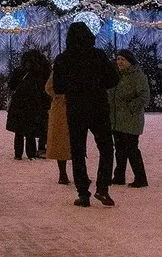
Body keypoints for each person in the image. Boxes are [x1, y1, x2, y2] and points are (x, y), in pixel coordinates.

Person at [51, 22, 119, 207]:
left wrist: (74, 87)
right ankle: (103, 187)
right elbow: (113, 79)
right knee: (106, 148)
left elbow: (58, 87)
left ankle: (83, 193)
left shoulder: (63, 59)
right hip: (98, 107)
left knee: (78, 151)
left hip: (76, 109)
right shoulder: (98, 55)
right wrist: (96, 84)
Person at [108, 49, 150, 188]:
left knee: (132, 148)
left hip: (131, 119)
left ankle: (140, 178)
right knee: (119, 149)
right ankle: (119, 176)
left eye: (122, 59)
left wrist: (131, 107)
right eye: (118, 59)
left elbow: (144, 96)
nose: (119, 62)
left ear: (129, 62)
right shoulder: (116, 76)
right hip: (117, 119)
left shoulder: (137, 76)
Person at [6, 49, 51, 160]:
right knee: (30, 131)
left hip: (19, 104)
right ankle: (31, 153)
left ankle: (18, 154)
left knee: (18, 132)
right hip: (34, 104)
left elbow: (11, 85)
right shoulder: (41, 72)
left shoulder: (19, 71)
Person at [44, 67, 72, 185]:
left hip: (65, 108)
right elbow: (49, 87)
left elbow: (49, 87)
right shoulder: (60, 70)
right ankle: (64, 173)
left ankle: (66, 173)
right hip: (62, 108)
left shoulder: (60, 68)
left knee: (66, 142)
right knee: (63, 142)